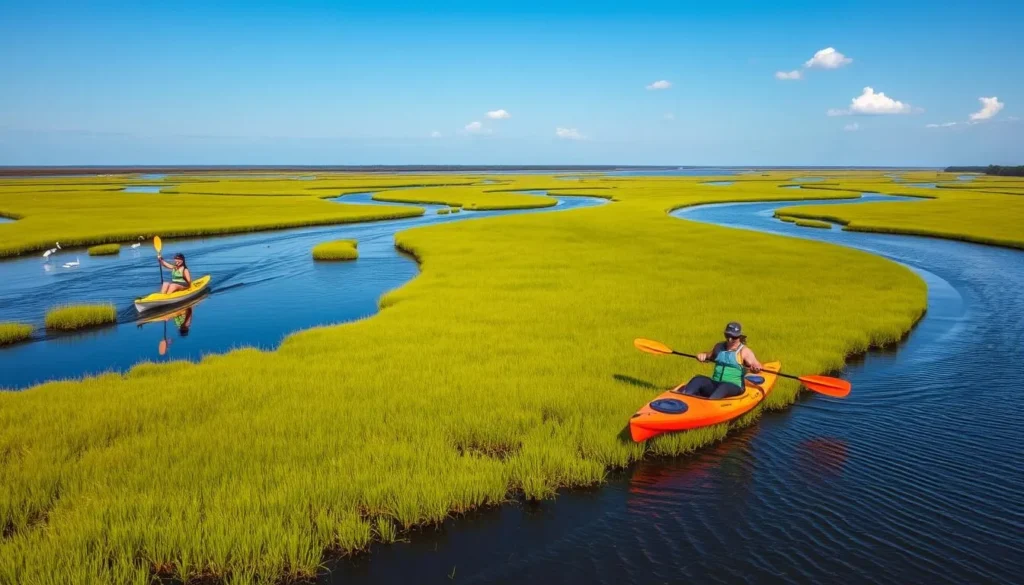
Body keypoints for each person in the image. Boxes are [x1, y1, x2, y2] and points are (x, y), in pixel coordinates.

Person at [679, 322, 763, 400]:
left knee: (724, 387)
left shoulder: (744, 351)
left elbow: (756, 364)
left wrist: (756, 368)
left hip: (734, 386)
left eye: (733, 337)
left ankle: (710, 404)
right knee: (698, 379)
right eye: (727, 336)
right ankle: (683, 400)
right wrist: (702, 355)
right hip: (715, 383)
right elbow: (709, 356)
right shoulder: (719, 347)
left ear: (739, 337)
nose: (730, 339)